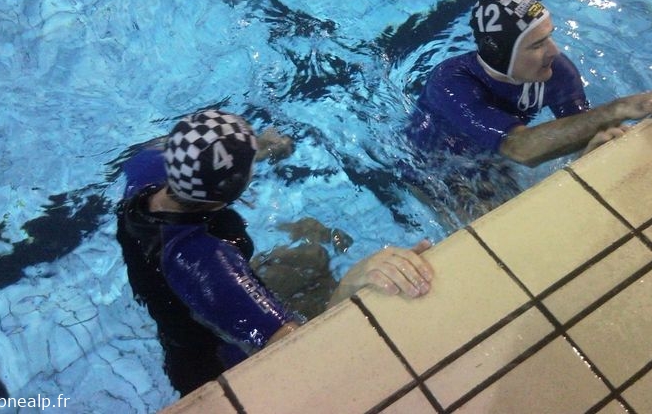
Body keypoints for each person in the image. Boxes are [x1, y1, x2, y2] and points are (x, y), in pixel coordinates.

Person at [117, 109, 433, 396]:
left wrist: (255, 149)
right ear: (233, 191)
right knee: (324, 278)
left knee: (312, 258)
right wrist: (354, 280)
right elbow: (301, 354)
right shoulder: (207, 264)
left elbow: (199, 155)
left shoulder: (147, 169)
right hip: (219, 361)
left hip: (183, 302)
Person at [404, 0, 652, 219]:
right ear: (500, 53)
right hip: (438, 171)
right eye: (537, 45)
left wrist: (592, 148)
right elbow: (520, 148)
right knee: (506, 236)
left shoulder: (555, 71)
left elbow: (581, 129)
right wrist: (622, 108)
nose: (554, 51)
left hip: (495, 156)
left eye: (549, 37)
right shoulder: (450, 82)